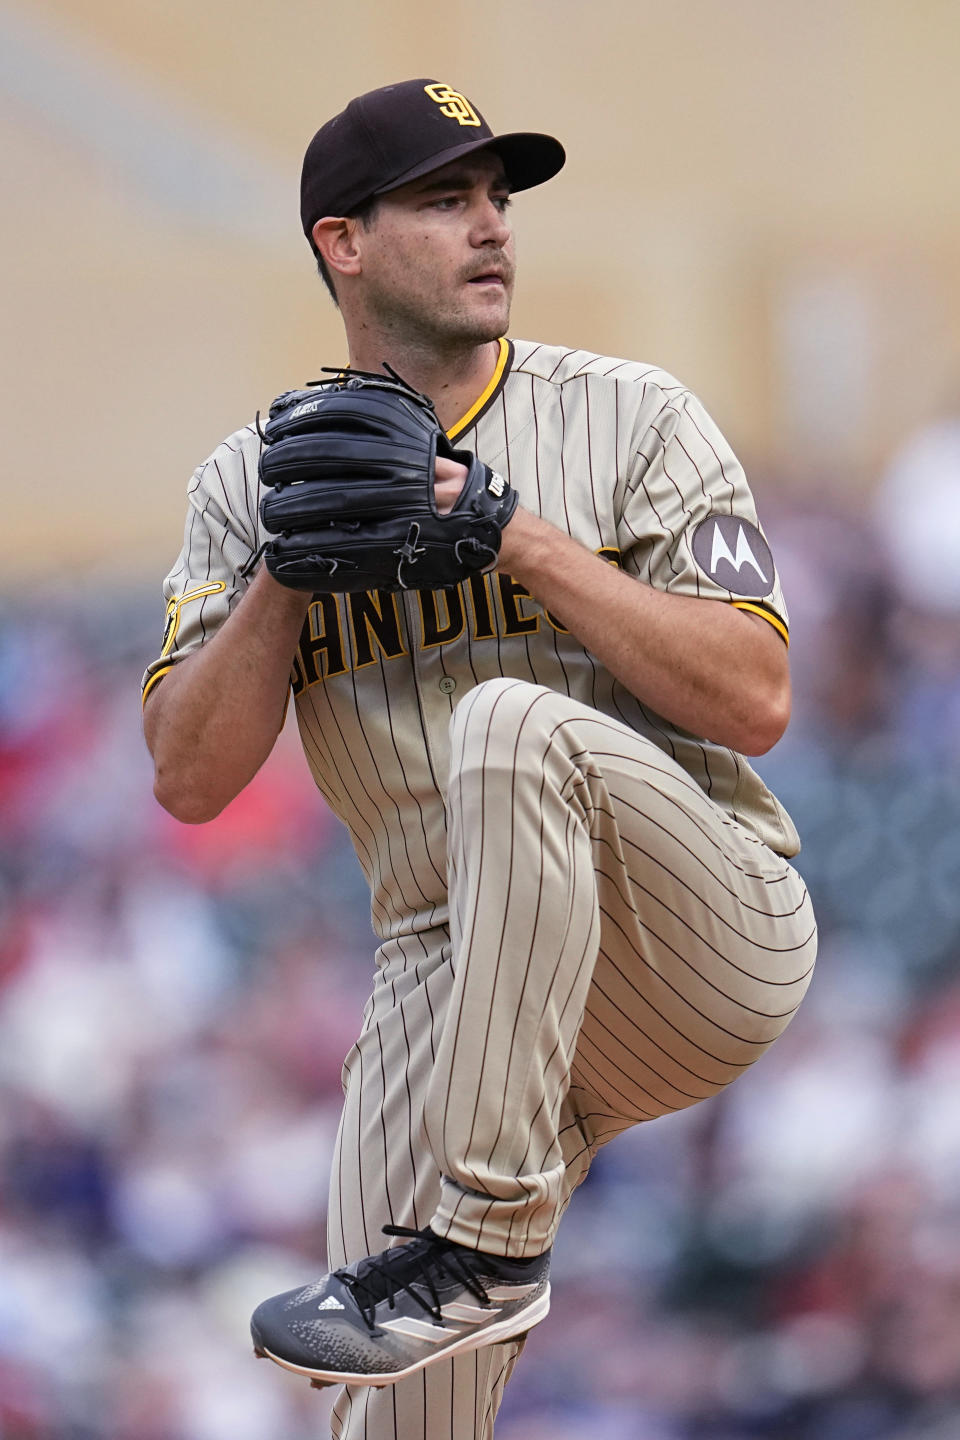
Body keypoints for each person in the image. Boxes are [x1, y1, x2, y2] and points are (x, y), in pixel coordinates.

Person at [143, 78, 817, 1440]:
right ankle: (470, 1248)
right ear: (344, 242)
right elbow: (189, 782)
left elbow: (757, 699)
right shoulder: (250, 482)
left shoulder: (632, 418)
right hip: (449, 975)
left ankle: (489, 1238)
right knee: (388, 1421)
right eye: (445, 199)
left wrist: (526, 541)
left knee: (505, 723)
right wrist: (284, 571)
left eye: (498, 198)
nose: (492, 226)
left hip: (690, 921)